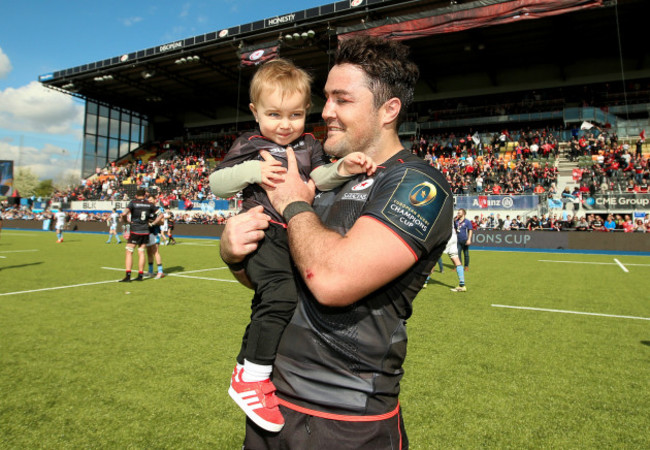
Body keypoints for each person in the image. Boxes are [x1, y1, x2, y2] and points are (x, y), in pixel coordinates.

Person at [220, 36, 453, 449]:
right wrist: (235, 256)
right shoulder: (323, 175)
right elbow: (278, 277)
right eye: (325, 99)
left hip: (346, 422)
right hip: (270, 407)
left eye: (341, 100)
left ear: (389, 110)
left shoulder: (416, 183)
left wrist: (293, 202)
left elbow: (330, 280)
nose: (324, 112)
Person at [208, 57, 377, 433]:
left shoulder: (308, 143)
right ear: (255, 113)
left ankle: (243, 366)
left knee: (272, 299)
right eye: (274, 115)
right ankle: (252, 378)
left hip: (293, 232)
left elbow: (318, 178)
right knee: (281, 295)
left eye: (296, 115)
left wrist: (342, 169)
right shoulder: (249, 144)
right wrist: (253, 171)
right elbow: (217, 184)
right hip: (264, 231)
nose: (285, 125)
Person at [119, 188, 157, 282]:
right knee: (141, 251)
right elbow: (161, 215)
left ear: (136, 195)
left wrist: (125, 220)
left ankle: (128, 275)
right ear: (145, 195)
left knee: (129, 251)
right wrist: (153, 223)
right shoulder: (150, 204)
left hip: (135, 230)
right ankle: (140, 275)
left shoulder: (133, 202)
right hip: (145, 230)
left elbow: (124, 213)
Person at [424, 225, 467, 292]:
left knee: (433, 258)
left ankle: (425, 282)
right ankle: (462, 285)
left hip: (445, 235)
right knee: (455, 258)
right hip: (453, 236)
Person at [146, 194, 165, 279]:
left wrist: (152, 221)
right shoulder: (147, 209)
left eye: (151, 200)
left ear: (155, 200)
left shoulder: (159, 209)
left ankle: (160, 272)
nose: (149, 201)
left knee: (155, 251)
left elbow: (162, 222)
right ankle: (151, 271)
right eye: (148, 200)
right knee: (149, 252)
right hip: (147, 232)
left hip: (155, 232)